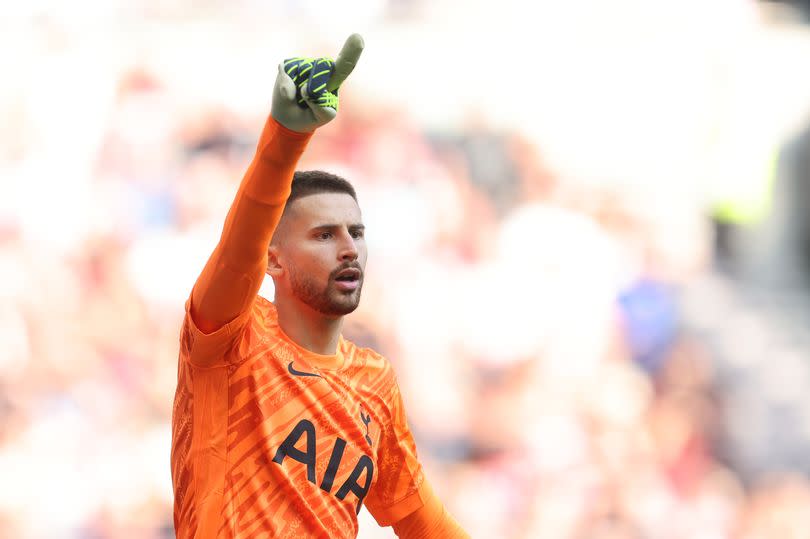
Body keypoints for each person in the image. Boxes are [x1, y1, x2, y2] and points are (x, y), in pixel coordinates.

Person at [170, 34, 470, 539]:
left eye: (356, 232)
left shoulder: (372, 381)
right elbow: (238, 250)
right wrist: (285, 137)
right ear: (275, 260)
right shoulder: (231, 339)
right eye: (324, 235)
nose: (349, 248)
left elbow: (422, 520)